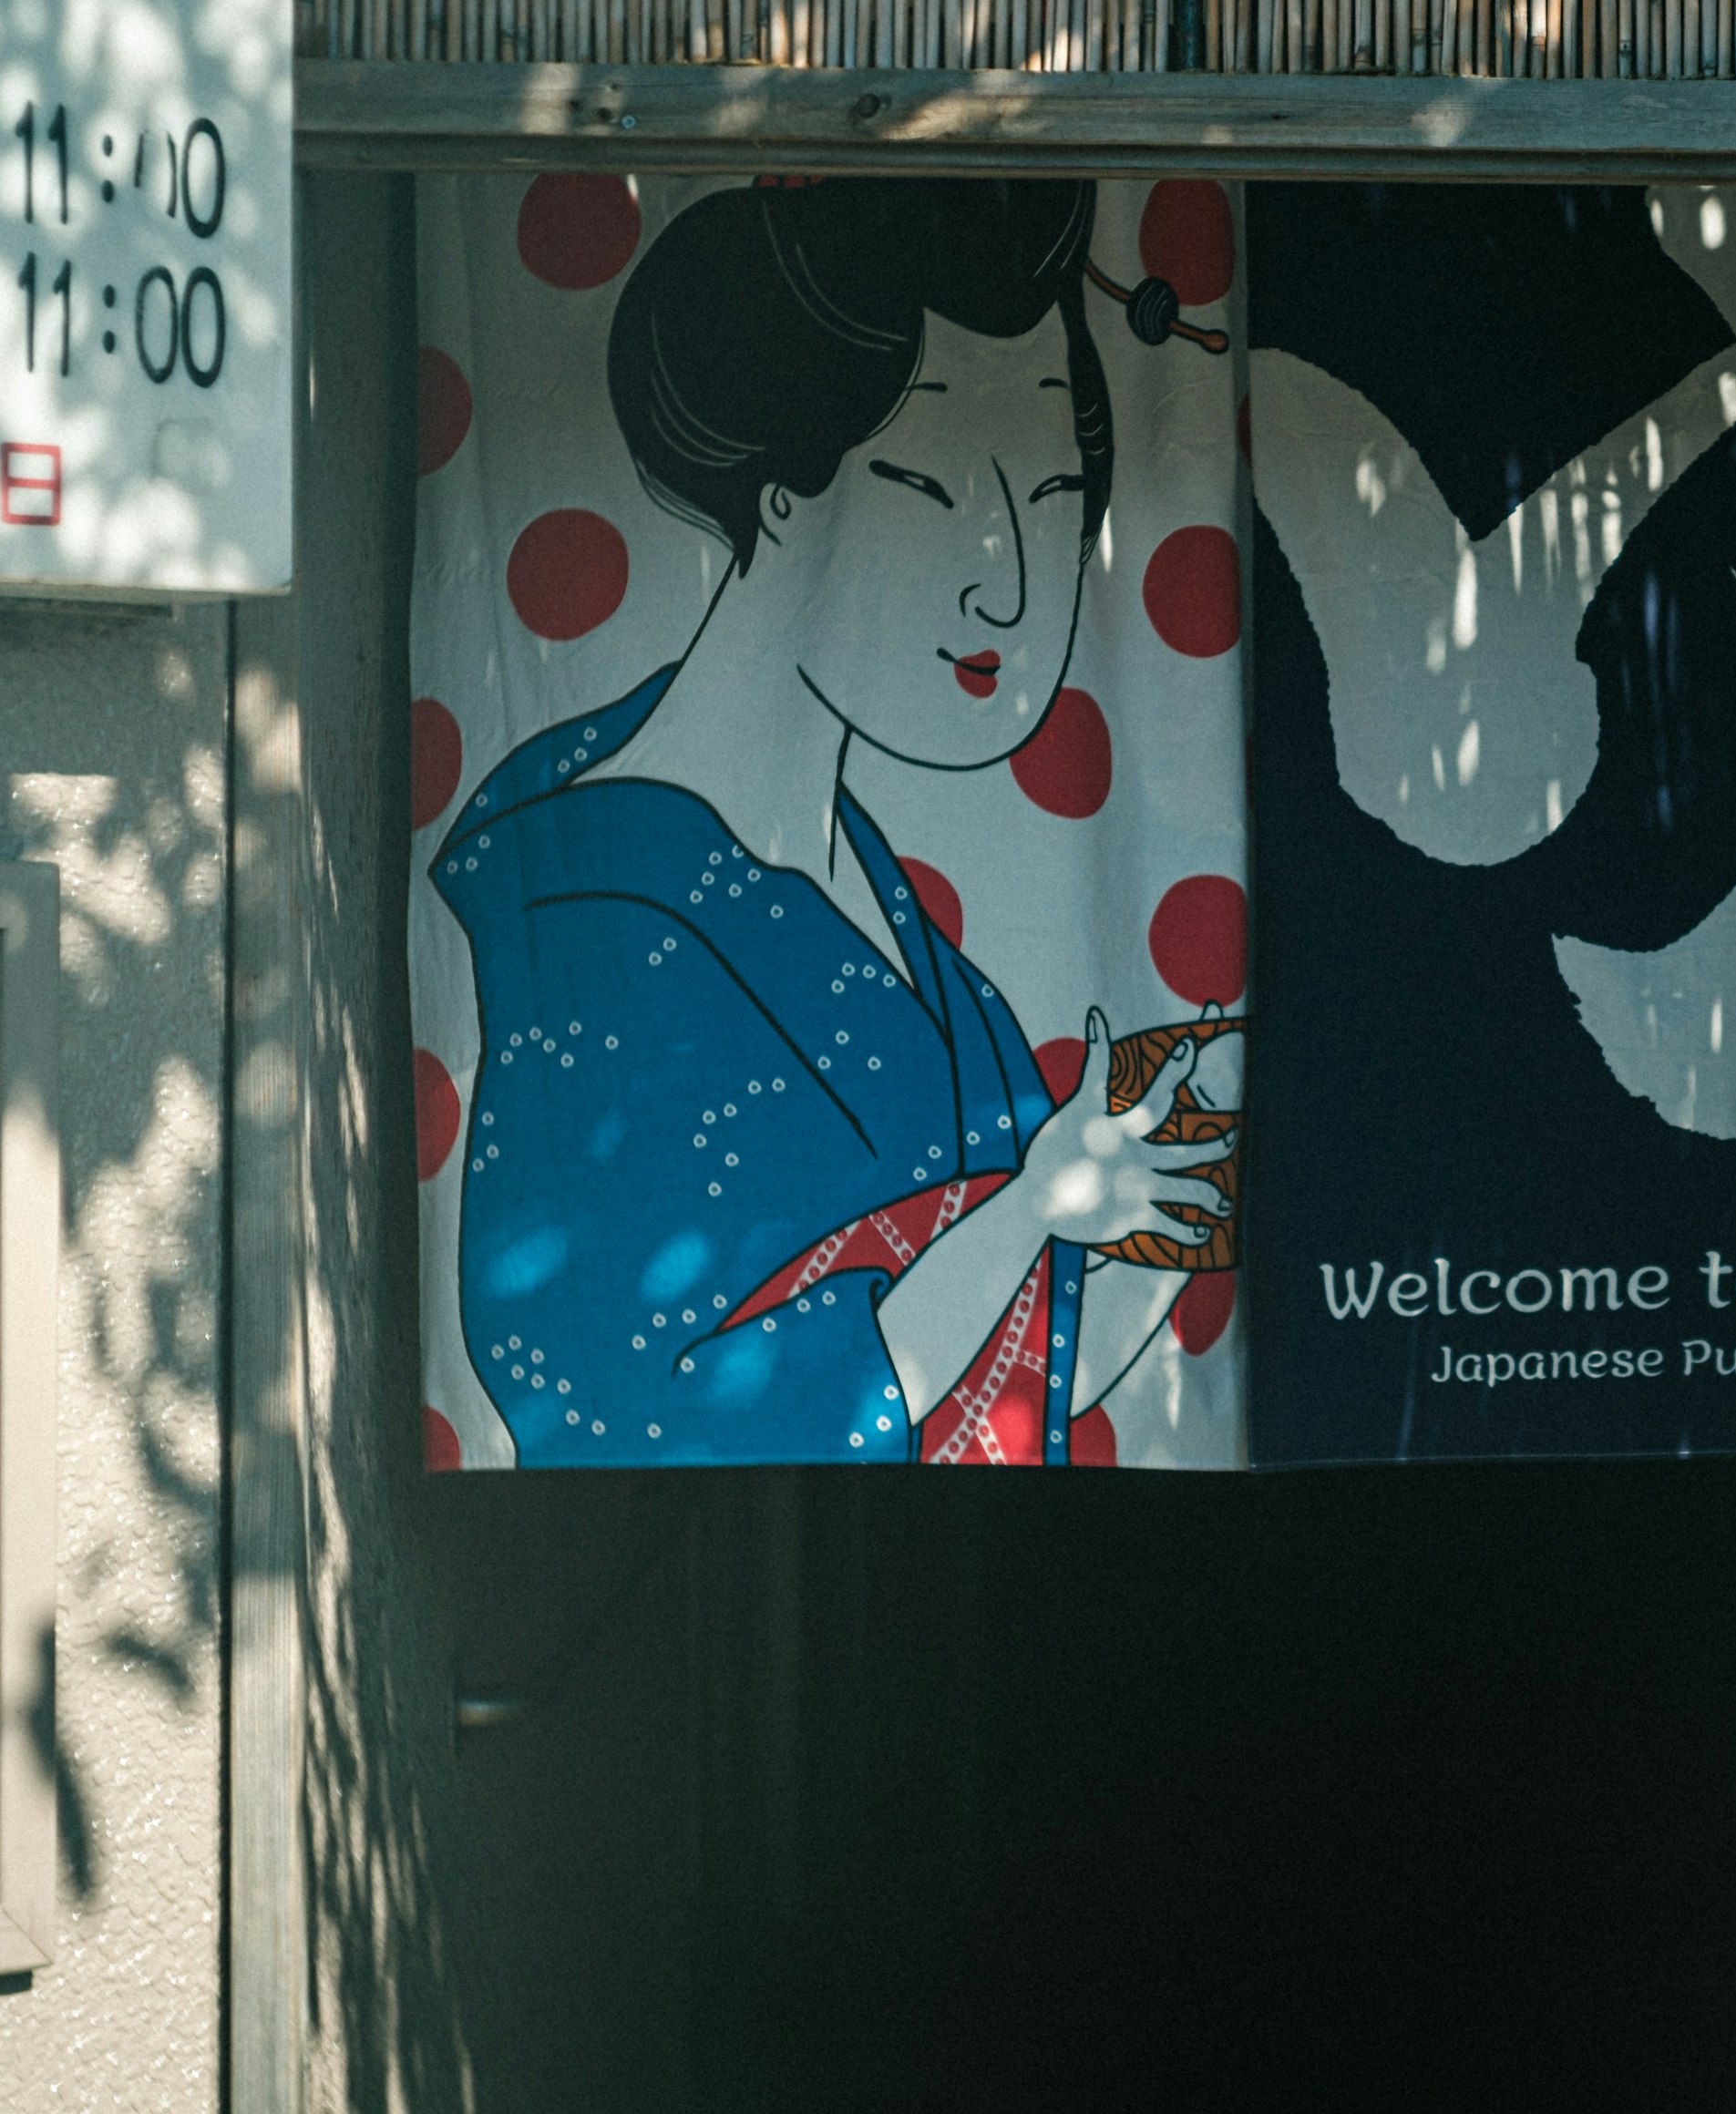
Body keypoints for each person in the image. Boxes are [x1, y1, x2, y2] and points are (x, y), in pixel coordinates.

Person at [434, 178, 1234, 1467]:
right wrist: (1035, 1206)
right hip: (700, 1584)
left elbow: (993, 1377)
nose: (1013, 586)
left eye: (1050, 493)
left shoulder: (877, 907)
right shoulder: (594, 919)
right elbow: (644, 1410)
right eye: (932, 488)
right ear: (784, 495)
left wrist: (1094, 1206)